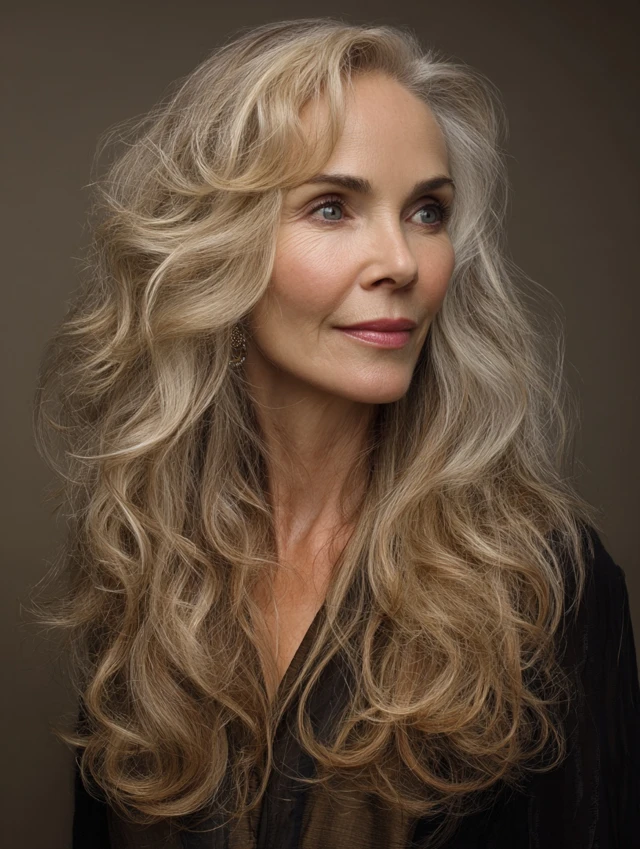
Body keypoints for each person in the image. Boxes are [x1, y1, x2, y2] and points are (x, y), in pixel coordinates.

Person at [32, 17, 639, 849]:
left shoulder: (545, 586)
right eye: (332, 206)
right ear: (217, 244)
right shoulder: (144, 563)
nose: (401, 260)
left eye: (427, 211)